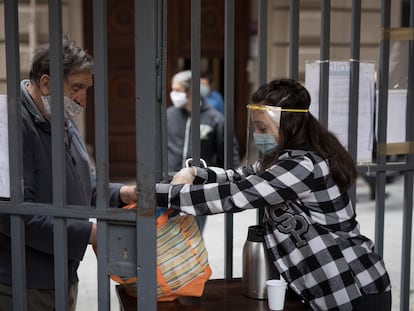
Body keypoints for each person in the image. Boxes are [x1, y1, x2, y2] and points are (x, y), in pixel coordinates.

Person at [157, 79, 391, 311]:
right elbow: (238, 176)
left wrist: (158, 195)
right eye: (255, 127)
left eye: (263, 128)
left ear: (291, 126)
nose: (258, 134)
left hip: (355, 287)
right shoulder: (284, 161)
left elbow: (238, 193)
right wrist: (194, 173)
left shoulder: (303, 166)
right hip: (327, 289)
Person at [0, 38, 137, 311]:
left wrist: (123, 193)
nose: (83, 99)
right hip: (23, 282)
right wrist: (90, 232)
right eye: (76, 88)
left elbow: (82, 185)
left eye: (86, 89)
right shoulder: (7, 121)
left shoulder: (58, 117)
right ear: (47, 84)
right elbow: (13, 213)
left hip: (60, 274)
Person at [167, 70, 240, 231]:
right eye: (173, 90)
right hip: (169, 185)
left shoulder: (215, 119)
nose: (173, 94)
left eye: (177, 90)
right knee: (168, 238)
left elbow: (228, 152)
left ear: (191, 91)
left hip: (198, 188)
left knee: (194, 236)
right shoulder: (168, 116)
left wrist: (230, 183)